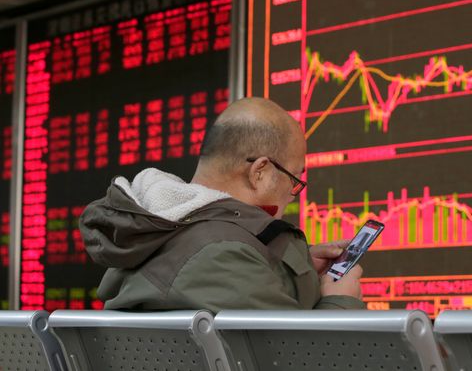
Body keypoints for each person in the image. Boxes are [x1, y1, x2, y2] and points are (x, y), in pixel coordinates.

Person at [79, 97, 365, 312]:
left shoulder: (156, 233)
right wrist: (341, 302)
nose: (293, 194)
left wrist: (293, 269)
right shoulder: (222, 257)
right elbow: (305, 358)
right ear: (260, 173)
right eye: (294, 179)